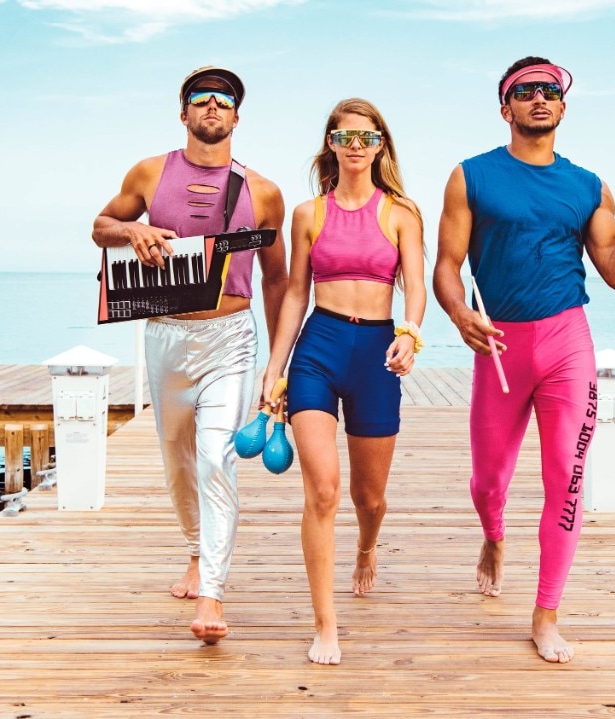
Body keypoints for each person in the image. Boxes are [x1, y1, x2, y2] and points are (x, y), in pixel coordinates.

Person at [433, 56, 615, 663]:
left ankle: (546, 612)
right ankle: (493, 535)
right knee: (489, 480)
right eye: (525, 91)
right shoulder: (471, 177)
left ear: (562, 108)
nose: (539, 99)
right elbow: (446, 267)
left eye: (549, 91)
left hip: (568, 341)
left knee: (564, 479)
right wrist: (460, 314)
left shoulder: (588, 186)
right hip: (500, 346)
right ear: (505, 108)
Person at [91, 66, 288, 644]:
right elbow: (101, 225)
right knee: (177, 460)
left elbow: (276, 282)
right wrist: (133, 234)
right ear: (184, 114)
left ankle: (214, 594)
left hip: (231, 335)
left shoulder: (263, 192)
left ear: (236, 116)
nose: (212, 108)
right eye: (201, 100)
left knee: (214, 459)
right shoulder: (150, 173)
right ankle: (197, 552)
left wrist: (277, 366)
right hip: (164, 335)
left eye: (223, 101)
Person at [260, 98, 426, 665]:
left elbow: (417, 289)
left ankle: (366, 546)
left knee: (369, 498)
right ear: (330, 143)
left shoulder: (403, 212)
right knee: (324, 490)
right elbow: (294, 295)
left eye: (367, 137)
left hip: (377, 352)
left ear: (381, 145)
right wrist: (275, 366)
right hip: (319, 347)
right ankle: (325, 625)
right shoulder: (308, 213)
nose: (356, 147)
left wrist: (410, 334)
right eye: (345, 136)